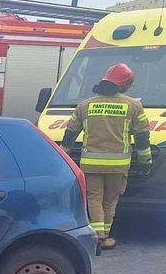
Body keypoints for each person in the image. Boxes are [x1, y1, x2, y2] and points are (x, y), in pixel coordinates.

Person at [61, 63, 151, 249]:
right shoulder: (134, 106)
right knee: (110, 200)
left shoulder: (85, 105)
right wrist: (145, 161)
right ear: (125, 84)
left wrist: (64, 153)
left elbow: (70, 133)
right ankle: (105, 237)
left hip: (90, 164)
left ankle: (97, 236)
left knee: (94, 199)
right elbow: (142, 137)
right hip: (118, 166)